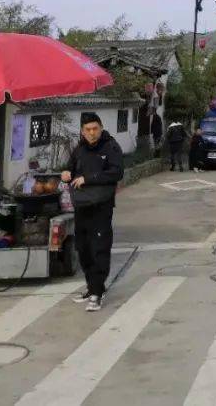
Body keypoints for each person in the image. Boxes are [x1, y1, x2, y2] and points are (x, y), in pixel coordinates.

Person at [61, 114, 123, 312]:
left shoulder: (110, 147)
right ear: (82, 131)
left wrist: (88, 178)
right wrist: (66, 173)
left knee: (99, 248)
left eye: (95, 128)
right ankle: (92, 287)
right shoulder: (79, 149)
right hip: (82, 206)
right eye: (87, 129)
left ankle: (97, 292)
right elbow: (69, 168)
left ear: (101, 127)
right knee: (83, 247)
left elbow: (116, 173)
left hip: (101, 206)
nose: (92, 133)